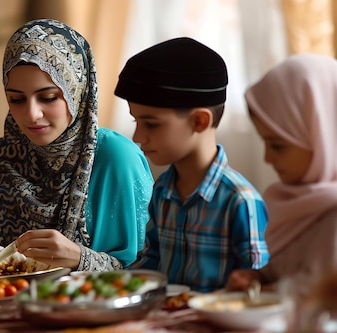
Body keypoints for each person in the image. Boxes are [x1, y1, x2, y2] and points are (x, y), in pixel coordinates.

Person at [0, 19, 154, 271]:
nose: (32, 114)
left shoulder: (114, 158)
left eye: (48, 97)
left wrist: (80, 259)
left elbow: (152, 270)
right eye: (17, 99)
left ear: (76, 91)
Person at [116, 37, 269, 292]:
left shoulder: (240, 201)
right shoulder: (163, 189)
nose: (137, 137)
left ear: (199, 121)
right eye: (136, 122)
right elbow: (150, 263)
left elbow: (254, 290)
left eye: (151, 124)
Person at [225, 54, 337, 297]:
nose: (267, 158)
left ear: (323, 136)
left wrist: (265, 290)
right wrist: (257, 276)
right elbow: (290, 267)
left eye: (278, 146)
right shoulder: (295, 202)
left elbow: (323, 293)